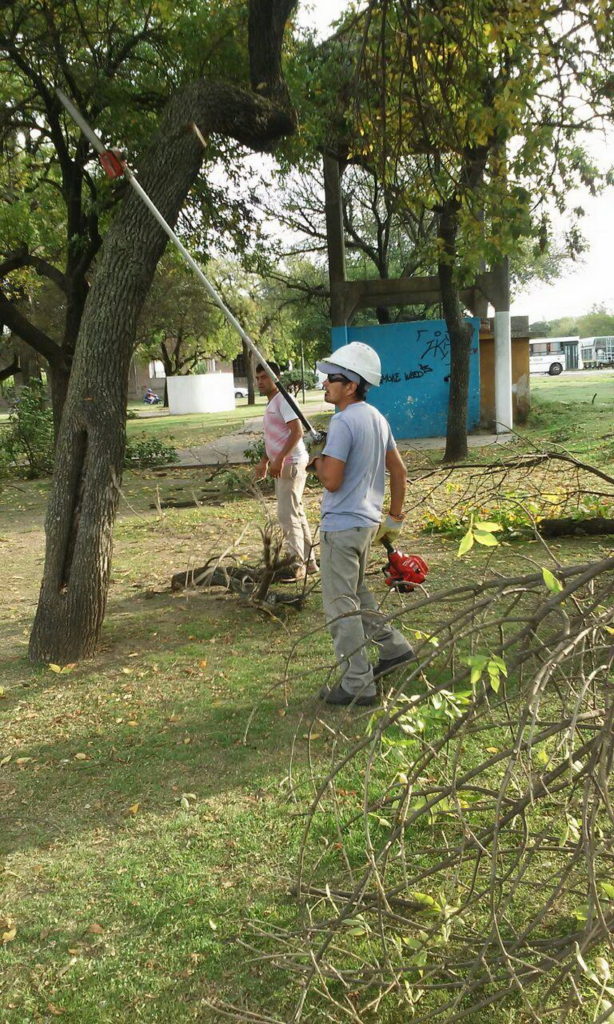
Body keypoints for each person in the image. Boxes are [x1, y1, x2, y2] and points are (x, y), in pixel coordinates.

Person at [307, 341, 414, 706]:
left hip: (341, 527)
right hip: (366, 524)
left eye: (331, 378)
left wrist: (315, 458)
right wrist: (394, 518)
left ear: (350, 385)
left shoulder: (342, 421)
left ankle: (357, 683)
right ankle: (395, 649)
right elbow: (399, 471)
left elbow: (332, 480)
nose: (325, 383)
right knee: (359, 595)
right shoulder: (376, 418)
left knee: (341, 606)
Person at [253, 361, 318, 581]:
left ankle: (296, 564)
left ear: (276, 378)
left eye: (264, 377)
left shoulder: (283, 399)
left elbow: (297, 432)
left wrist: (279, 459)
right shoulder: (273, 402)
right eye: (258, 378)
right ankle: (309, 562)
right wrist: (264, 461)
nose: (260, 382)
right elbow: (275, 437)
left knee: (287, 515)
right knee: (296, 511)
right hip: (285, 462)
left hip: (291, 463)